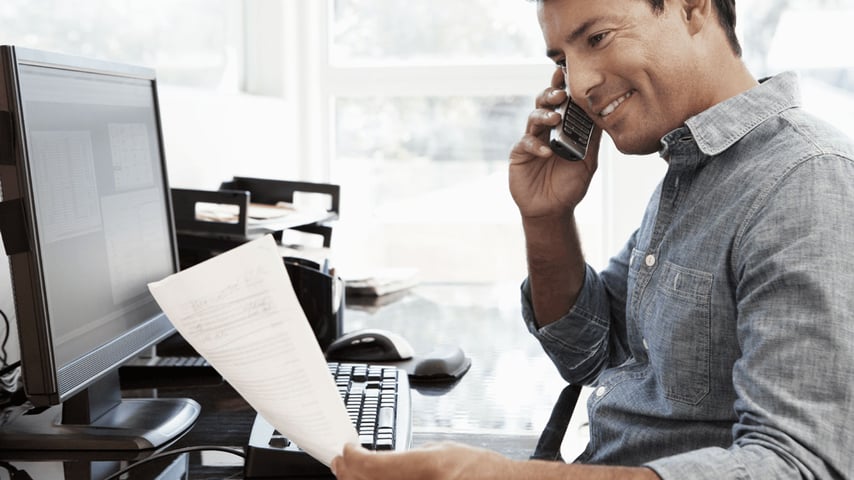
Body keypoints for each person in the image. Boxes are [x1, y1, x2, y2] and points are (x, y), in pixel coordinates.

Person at [331, 0, 854, 478]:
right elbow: (591, 353)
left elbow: (797, 465)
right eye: (562, 59)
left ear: (692, 8)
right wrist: (546, 216)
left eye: (597, 38)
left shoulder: (806, 183)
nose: (578, 84)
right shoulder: (693, 172)